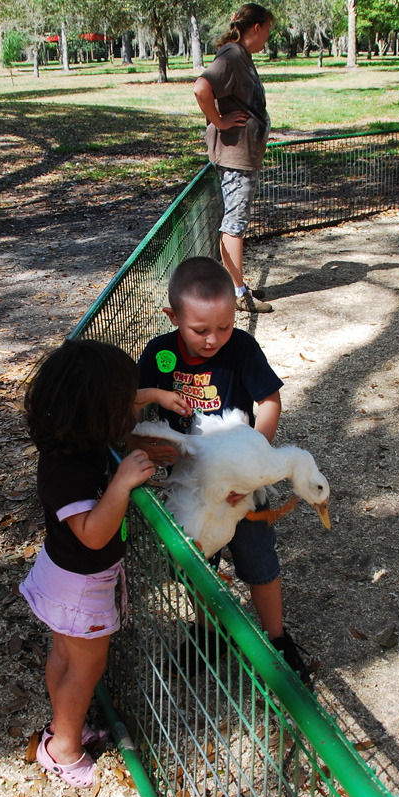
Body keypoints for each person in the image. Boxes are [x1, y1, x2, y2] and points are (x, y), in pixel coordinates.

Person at [137, 256, 311, 683]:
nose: (213, 339)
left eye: (225, 327)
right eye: (200, 330)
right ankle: (208, 632)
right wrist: (146, 444)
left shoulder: (242, 350)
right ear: (173, 317)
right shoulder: (159, 354)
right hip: (193, 483)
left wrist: (254, 462)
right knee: (200, 558)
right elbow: (137, 409)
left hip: (239, 482)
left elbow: (270, 401)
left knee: (257, 558)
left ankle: (277, 638)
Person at [20, 339, 155, 788]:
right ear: (97, 414)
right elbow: (94, 532)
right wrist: (121, 483)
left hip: (63, 576)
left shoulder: (72, 439)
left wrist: (156, 396)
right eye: (124, 406)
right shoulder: (69, 470)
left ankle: (63, 727)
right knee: (85, 668)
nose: (131, 414)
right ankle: (64, 751)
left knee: (64, 655)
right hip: (81, 587)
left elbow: (122, 399)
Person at [193, 4, 274, 314]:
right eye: (267, 30)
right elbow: (202, 88)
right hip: (235, 156)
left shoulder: (242, 56)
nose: (267, 37)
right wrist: (219, 121)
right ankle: (237, 293)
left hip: (244, 155)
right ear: (257, 27)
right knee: (234, 223)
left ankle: (236, 284)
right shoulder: (232, 56)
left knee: (236, 221)